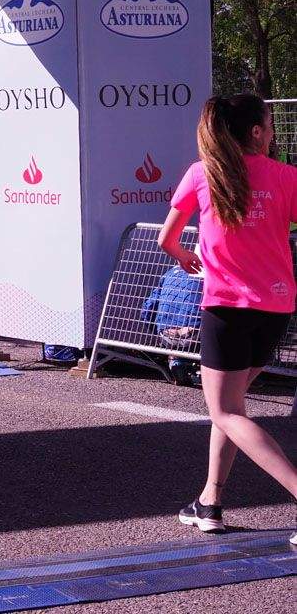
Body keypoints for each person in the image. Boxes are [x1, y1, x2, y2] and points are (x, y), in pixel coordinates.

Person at [158, 94, 297, 543]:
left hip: (226, 308)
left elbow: (167, 239)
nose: (273, 132)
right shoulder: (286, 176)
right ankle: (210, 501)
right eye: (270, 124)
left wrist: (185, 257)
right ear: (255, 132)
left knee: (225, 410)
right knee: (232, 408)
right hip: (275, 308)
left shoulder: (202, 174)